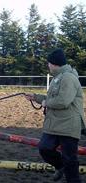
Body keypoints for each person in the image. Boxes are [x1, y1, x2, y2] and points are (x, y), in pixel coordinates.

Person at [25, 48, 86, 183]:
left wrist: (46, 103)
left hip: (69, 125)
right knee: (44, 148)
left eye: (49, 63)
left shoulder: (69, 78)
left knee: (70, 159)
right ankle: (61, 166)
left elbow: (63, 101)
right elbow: (51, 98)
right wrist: (35, 97)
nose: (48, 65)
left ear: (54, 64)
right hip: (55, 124)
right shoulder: (57, 78)